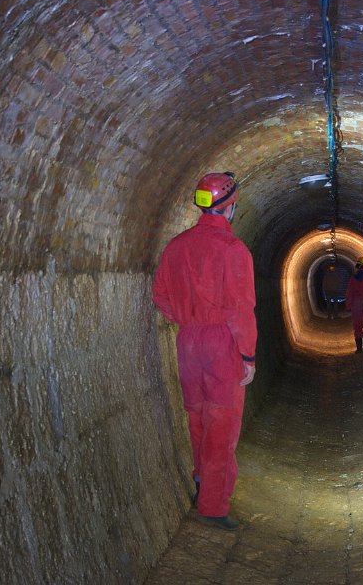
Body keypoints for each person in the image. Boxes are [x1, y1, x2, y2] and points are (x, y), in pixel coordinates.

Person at [152, 172, 257, 531]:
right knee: (221, 426)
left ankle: (201, 484)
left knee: (197, 418)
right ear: (230, 207)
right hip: (221, 343)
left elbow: (160, 295)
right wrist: (247, 355)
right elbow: (240, 309)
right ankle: (213, 507)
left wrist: (185, 317)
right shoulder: (233, 250)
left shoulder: (175, 247)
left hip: (188, 342)